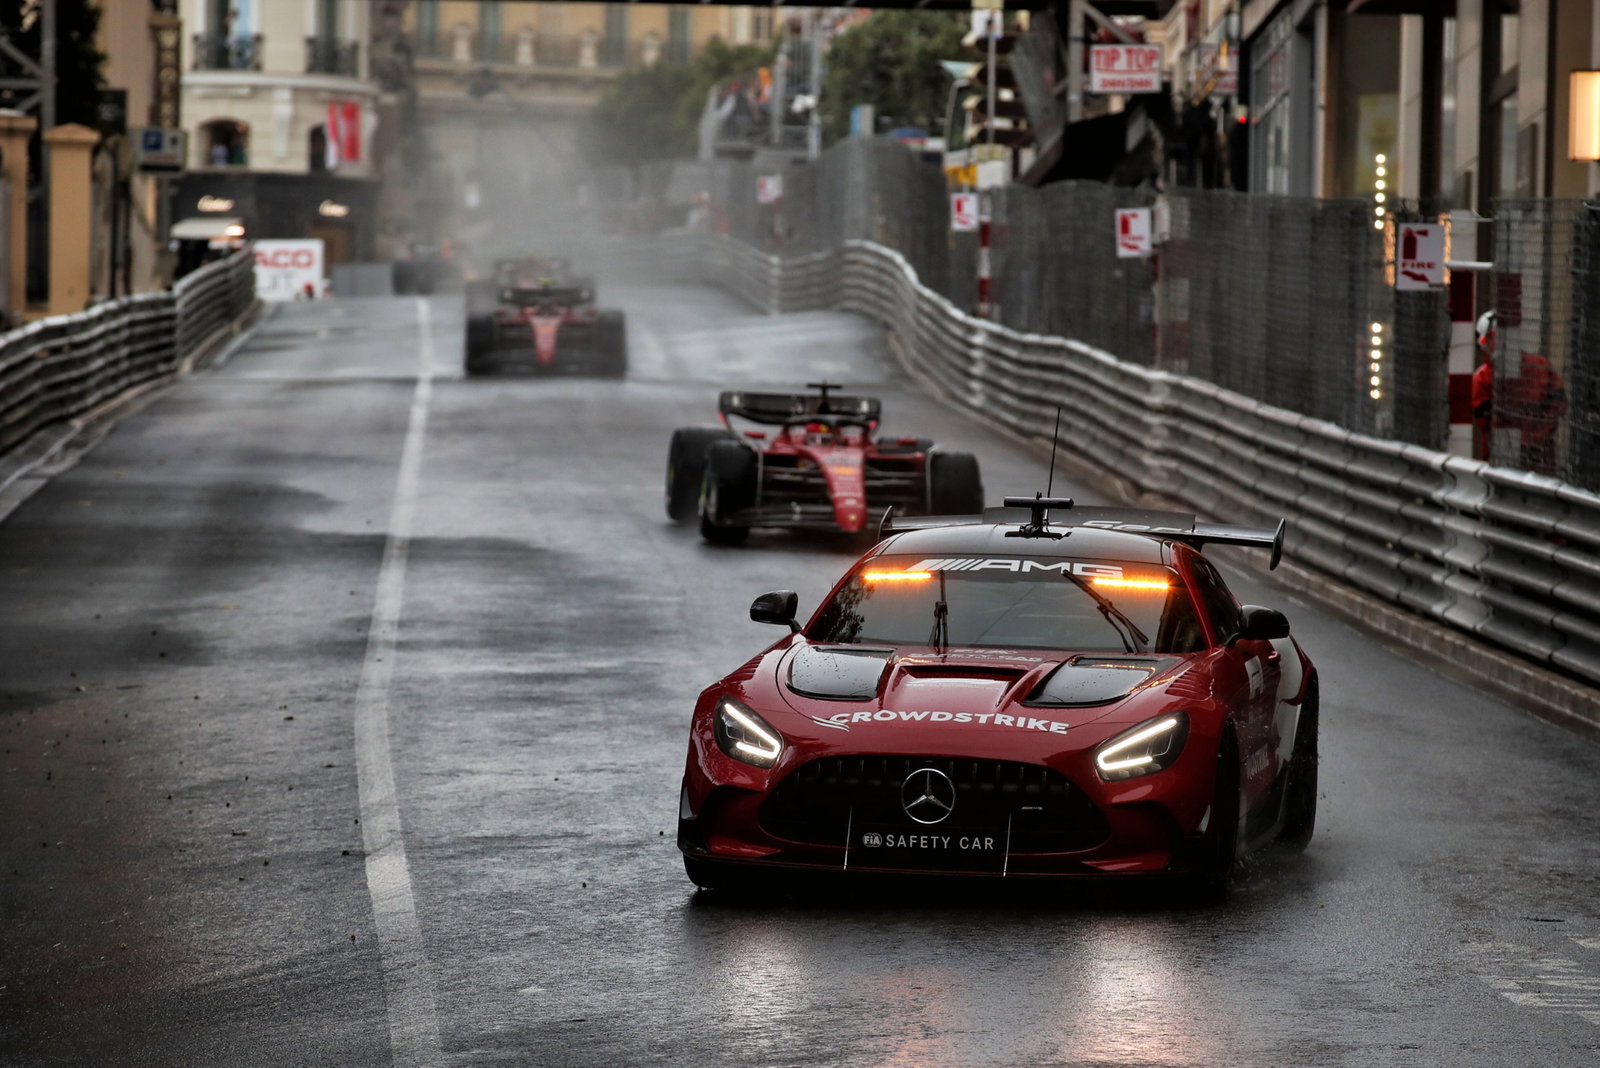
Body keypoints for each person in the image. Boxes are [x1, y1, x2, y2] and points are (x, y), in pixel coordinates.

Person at [1470, 309, 1568, 474]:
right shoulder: (1540, 366)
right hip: (1540, 458)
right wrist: (1536, 435)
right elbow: (1559, 406)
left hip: (1502, 459)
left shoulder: (1483, 378)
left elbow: (1485, 422)